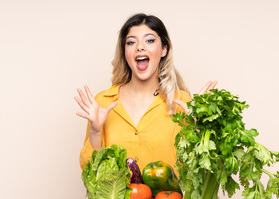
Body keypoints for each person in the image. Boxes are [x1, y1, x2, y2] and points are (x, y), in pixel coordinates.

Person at [75, 13, 217, 171]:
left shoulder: (181, 103)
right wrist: (95, 132)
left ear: (164, 49)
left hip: (168, 196)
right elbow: (90, 173)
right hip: (116, 197)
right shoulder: (103, 102)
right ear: (124, 53)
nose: (140, 47)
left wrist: (198, 128)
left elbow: (196, 172)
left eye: (149, 40)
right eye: (131, 42)